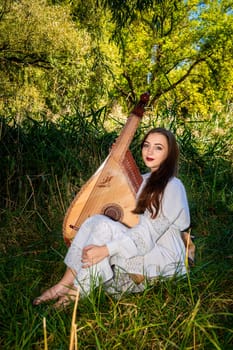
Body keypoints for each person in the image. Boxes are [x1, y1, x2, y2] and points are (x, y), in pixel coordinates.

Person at [33, 127, 191, 307]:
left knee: (103, 228)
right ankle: (63, 284)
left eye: (158, 147)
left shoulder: (173, 186)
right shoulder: (144, 179)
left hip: (163, 259)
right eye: (146, 145)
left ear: (169, 153)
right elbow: (127, 213)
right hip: (141, 247)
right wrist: (118, 160)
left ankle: (77, 293)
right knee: (95, 221)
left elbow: (147, 235)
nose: (150, 151)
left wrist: (105, 250)